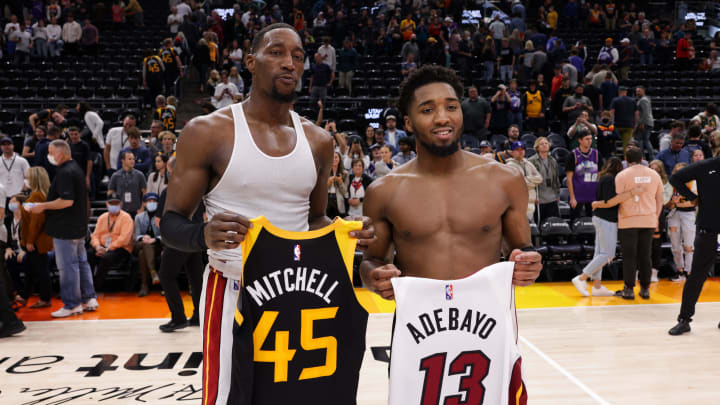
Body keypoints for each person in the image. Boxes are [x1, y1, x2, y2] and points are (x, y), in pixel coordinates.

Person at [158, 23, 373, 404]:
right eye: (276, 52)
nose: (289, 62)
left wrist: (348, 237)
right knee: (227, 397)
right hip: (232, 287)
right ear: (251, 63)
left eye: (298, 56)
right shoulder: (208, 132)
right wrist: (202, 234)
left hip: (301, 291)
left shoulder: (319, 141)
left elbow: (314, 221)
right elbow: (170, 223)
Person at [358, 66, 541, 396]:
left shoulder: (505, 180)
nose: (442, 117)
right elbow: (369, 262)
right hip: (417, 335)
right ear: (408, 122)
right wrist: (373, 276)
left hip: (487, 331)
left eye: (451, 106)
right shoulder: (383, 191)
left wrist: (529, 264)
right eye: (428, 109)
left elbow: (523, 249)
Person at [27, 140, 96, 317]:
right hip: (78, 225)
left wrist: (43, 206)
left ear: (61, 153)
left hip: (66, 228)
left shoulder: (65, 172)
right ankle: (88, 298)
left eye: (51, 152)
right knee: (81, 262)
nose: (48, 155)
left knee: (68, 266)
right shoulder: (77, 169)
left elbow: (67, 201)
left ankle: (72, 304)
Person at [668, 134, 720, 335]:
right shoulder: (706, 166)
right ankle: (684, 319)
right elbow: (675, 177)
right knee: (697, 275)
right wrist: (693, 198)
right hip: (707, 228)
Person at [572, 157, 639, 297]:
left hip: (601, 218)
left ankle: (597, 287)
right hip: (606, 219)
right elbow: (610, 202)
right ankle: (581, 278)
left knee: (599, 253)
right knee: (608, 254)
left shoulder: (604, 178)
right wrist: (630, 193)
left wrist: (597, 204)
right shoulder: (610, 179)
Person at [156, 156, 203, 332]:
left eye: (168, 171)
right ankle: (199, 315)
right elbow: (204, 216)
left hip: (178, 239)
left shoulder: (170, 191)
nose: (167, 173)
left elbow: (160, 220)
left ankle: (178, 318)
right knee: (196, 278)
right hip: (196, 238)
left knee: (166, 275)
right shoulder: (198, 189)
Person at [614, 147, 664, 300]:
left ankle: (629, 289)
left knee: (629, 256)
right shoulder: (654, 174)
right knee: (645, 255)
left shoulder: (621, 175)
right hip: (648, 220)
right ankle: (645, 289)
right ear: (642, 157)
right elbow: (659, 199)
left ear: (626, 159)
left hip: (628, 220)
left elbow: (618, 198)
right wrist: (655, 217)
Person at [18, 167, 53, 308]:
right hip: (38, 240)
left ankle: (45, 299)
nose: (25, 179)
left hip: (36, 241)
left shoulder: (37, 195)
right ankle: (25, 295)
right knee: (30, 268)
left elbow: (36, 222)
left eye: (27, 176)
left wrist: (30, 241)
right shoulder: (39, 194)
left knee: (41, 270)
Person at [90, 194, 134, 291]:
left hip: (121, 249)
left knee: (106, 257)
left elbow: (124, 239)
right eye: (111, 203)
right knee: (88, 254)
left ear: (121, 204)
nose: (114, 205)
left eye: (116, 203)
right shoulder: (102, 217)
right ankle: (87, 285)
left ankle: (96, 287)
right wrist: (97, 247)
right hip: (102, 247)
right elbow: (95, 235)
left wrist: (107, 249)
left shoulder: (126, 218)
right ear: (106, 204)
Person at [667, 162, 697, 281]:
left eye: (682, 171)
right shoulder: (671, 184)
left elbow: (696, 201)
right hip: (674, 213)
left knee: (689, 245)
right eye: (677, 171)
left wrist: (679, 202)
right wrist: (673, 202)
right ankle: (679, 270)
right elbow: (667, 204)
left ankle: (688, 271)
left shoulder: (693, 183)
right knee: (675, 245)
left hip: (689, 214)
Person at [566, 131, 603, 221]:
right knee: (575, 222)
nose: (589, 141)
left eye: (591, 139)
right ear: (580, 140)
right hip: (578, 195)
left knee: (593, 223)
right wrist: (572, 197)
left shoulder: (597, 154)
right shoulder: (573, 155)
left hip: (593, 195)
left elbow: (601, 175)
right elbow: (569, 179)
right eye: (587, 139)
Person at [506, 141, 543, 220]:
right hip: (517, 202)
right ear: (512, 152)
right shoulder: (509, 166)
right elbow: (516, 183)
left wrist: (525, 179)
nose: (520, 152)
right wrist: (532, 182)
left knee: (531, 227)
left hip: (531, 201)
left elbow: (540, 178)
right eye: (517, 150)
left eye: (522, 149)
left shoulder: (528, 163)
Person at [134, 192, 161, 296]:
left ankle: (144, 285)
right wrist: (143, 237)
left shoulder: (161, 217)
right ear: (144, 204)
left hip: (156, 245)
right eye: (149, 201)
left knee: (142, 253)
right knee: (144, 245)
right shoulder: (139, 217)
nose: (152, 203)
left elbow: (165, 235)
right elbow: (136, 236)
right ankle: (153, 272)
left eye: (154, 201)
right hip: (140, 243)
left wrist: (155, 239)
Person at [529, 137, 561, 223]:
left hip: (552, 198)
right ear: (537, 147)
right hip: (539, 198)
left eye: (546, 143)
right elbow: (529, 181)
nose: (544, 145)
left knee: (553, 224)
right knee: (541, 224)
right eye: (541, 144)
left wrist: (557, 194)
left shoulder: (553, 160)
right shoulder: (531, 161)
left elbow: (556, 179)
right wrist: (532, 196)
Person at [108, 151, 147, 217]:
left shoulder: (140, 175)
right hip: (121, 211)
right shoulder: (115, 175)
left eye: (133, 159)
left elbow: (145, 193)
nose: (132, 161)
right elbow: (110, 193)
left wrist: (142, 209)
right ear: (123, 161)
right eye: (130, 159)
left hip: (136, 210)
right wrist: (114, 208)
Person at [609, 86, 636, 150]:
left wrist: (610, 123)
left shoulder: (615, 100)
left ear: (619, 92)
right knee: (627, 145)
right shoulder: (632, 100)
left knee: (612, 142)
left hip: (617, 125)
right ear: (626, 92)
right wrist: (635, 124)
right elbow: (636, 113)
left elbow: (611, 112)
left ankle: (614, 157)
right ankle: (626, 158)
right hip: (629, 125)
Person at [635, 86, 655, 161]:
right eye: (636, 91)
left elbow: (645, 113)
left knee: (643, 140)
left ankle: (646, 158)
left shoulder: (643, 100)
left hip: (645, 123)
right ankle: (646, 157)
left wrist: (642, 123)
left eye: (639, 91)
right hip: (646, 122)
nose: (637, 93)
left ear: (643, 91)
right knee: (644, 140)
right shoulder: (643, 99)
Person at [327, 151, 348, 218]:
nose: (334, 159)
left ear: (339, 159)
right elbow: (322, 191)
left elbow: (345, 192)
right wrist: (329, 183)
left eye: (336, 157)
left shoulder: (345, 173)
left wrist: (340, 181)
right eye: (332, 157)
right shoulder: (325, 172)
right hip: (327, 200)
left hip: (339, 200)